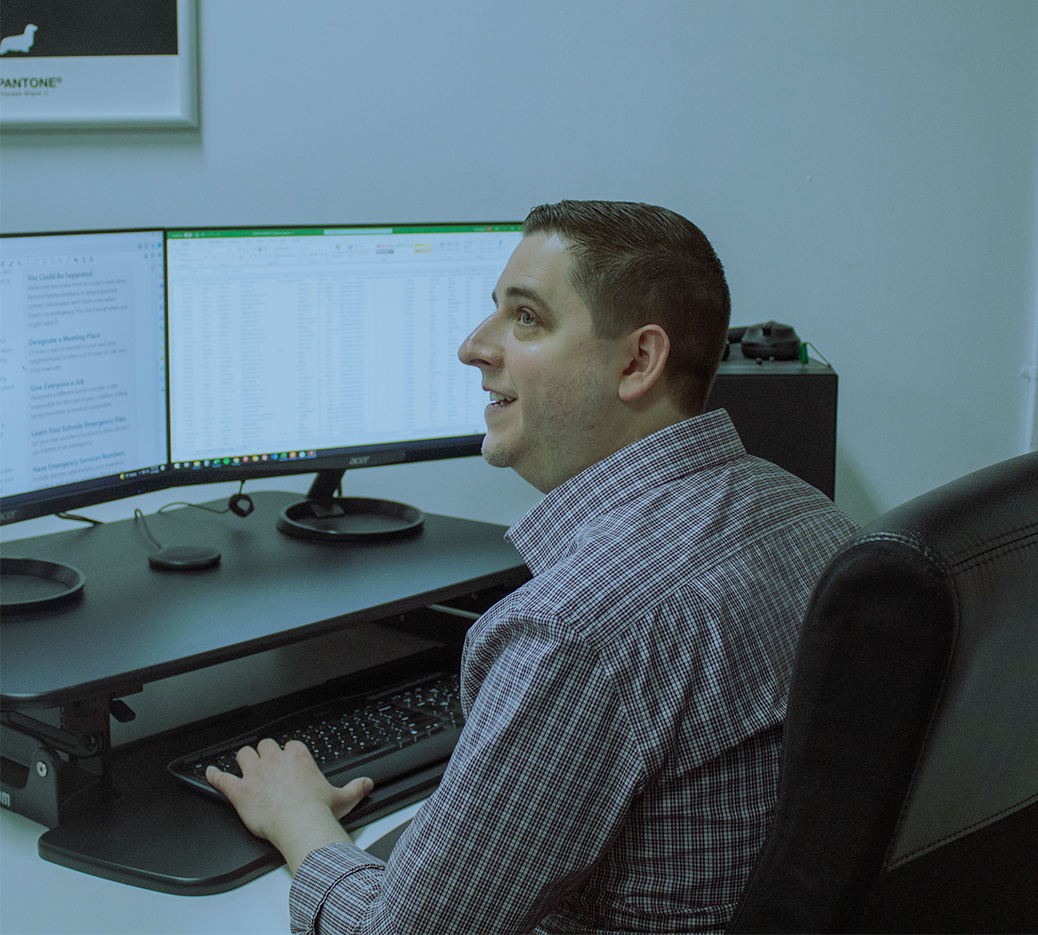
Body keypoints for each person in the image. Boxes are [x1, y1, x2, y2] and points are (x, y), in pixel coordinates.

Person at [208, 200, 857, 934]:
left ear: (638, 361)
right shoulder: (810, 515)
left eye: (526, 319)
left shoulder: (576, 630)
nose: (473, 347)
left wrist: (301, 822)